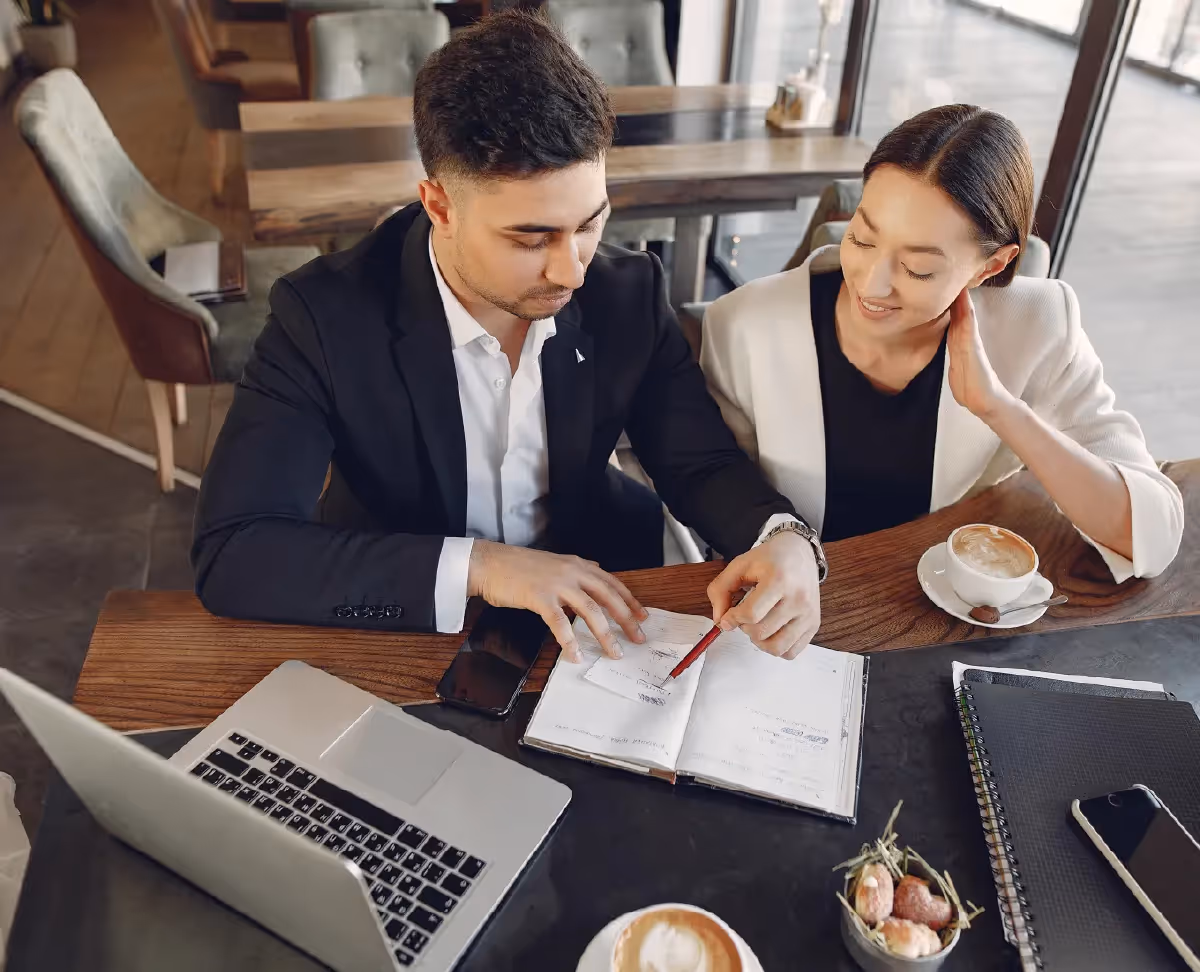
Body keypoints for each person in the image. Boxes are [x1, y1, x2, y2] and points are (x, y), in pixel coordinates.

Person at [192, 12, 824, 662]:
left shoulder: (626, 292)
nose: (572, 270)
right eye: (531, 239)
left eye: (590, 224)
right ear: (439, 206)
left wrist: (782, 536)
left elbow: (701, 462)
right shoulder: (323, 316)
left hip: (600, 592)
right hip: (409, 612)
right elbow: (235, 550)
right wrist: (483, 567)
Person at [701, 104, 1183, 581]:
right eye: (862, 239)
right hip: (795, 596)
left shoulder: (1037, 324)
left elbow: (1152, 533)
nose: (871, 284)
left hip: (946, 600)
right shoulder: (744, 325)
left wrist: (1000, 409)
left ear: (991, 266)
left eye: (918, 268)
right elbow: (718, 489)